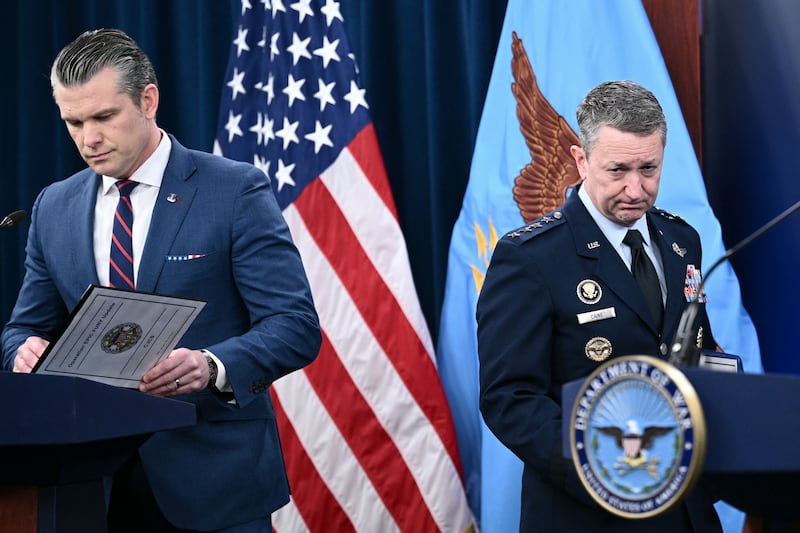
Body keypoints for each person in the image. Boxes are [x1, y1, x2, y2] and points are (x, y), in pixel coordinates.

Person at [0, 28, 322, 532]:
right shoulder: (53, 206)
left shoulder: (234, 190)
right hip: (85, 488)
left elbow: (295, 325)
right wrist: (24, 350)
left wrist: (212, 365)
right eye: (74, 121)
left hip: (212, 482)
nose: (89, 139)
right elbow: (21, 329)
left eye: (105, 117)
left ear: (148, 100)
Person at [476, 80, 721, 532]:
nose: (635, 188)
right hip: (589, 510)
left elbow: (693, 348)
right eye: (618, 170)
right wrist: (602, 467)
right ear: (580, 160)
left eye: (649, 168)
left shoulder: (681, 241)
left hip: (686, 511)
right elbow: (509, 398)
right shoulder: (530, 257)